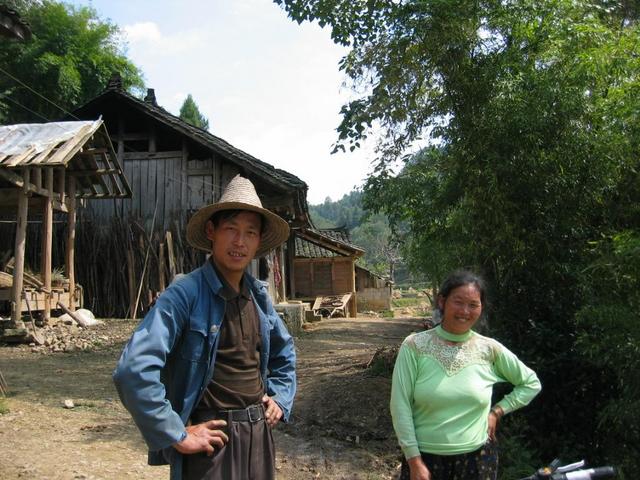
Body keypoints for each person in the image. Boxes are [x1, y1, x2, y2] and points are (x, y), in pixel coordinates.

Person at [113, 175, 296, 480]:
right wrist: (177, 433)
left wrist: (280, 397)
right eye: (231, 229)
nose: (240, 242)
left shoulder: (258, 296)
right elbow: (133, 370)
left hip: (259, 438)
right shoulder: (185, 293)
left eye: (250, 232)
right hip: (212, 445)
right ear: (211, 231)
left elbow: (284, 351)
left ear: (259, 240)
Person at [390, 270, 541, 480]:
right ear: (442, 302)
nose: (465, 311)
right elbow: (400, 406)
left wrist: (497, 412)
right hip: (425, 460)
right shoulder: (415, 346)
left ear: (481, 307)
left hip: (478, 460)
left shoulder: (489, 349)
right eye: (458, 302)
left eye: (473, 304)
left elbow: (530, 383)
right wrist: (414, 460)